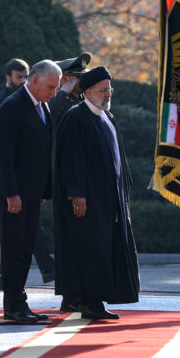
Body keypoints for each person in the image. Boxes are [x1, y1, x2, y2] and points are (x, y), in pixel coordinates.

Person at [53, 66, 140, 320]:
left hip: (109, 197)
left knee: (101, 246)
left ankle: (74, 298)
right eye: (103, 90)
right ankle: (90, 302)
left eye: (109, 90)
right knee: (90, 248)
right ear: (88, 92)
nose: (108, 95)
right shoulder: (75, 118)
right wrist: (77, 193)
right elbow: (72, 160)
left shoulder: (106, 117)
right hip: (88, 199)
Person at [0, 60, 61, 323]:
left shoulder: (42, 106)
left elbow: (42, 152)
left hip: (31, 191)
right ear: (36, 80)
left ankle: (21, 303)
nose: (53, 92)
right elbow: (4, 155)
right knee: (13, 249)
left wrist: (44, 190)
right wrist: (11, 193)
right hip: (12, 193)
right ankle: (13, 306)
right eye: (51, 87)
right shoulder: (12, 106)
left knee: (26, 248)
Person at [47, 52, 91, 312]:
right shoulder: (58, 100)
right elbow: (47, 116)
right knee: (67, 240)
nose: (81, 83)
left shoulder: (82, 101)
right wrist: (62, 91)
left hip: (82, 178)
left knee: (81, 240)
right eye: (77, 78)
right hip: (64, 179)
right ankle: (69, 295)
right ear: (67, 80)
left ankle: (78, 293)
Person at [48, 52, 91, 127]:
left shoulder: (85, 98)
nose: (85, 79)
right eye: (80, 76)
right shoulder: (56, 100)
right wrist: (63, 93)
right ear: (65, 79)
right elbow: (49, 114)